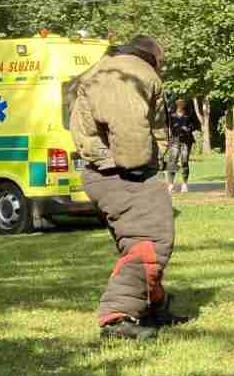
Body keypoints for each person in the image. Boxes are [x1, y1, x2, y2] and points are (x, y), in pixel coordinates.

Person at [69, 35, 187, 341]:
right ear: (154, 56)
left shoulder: (113, 68)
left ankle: (153, 305)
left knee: (142, 240)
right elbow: (127, 119)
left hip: (110, 170)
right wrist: (136, 165)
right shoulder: (128, 72)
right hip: (122, 171)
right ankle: (117, 316)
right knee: (149, 243)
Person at [164, 99, 200, 193]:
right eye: (178, 101)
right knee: (172, 161)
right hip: (174, 140)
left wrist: (188, 128)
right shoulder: (171, 114)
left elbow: (196, 124)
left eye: (182, 101)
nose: (180, 103)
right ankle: (171, 184)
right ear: (175, 102)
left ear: (185, 103)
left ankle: (184, 184)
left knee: (184, 161)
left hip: (186, 140)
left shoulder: (189, 113)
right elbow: (165, 126)